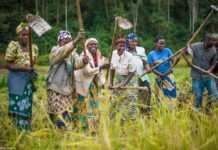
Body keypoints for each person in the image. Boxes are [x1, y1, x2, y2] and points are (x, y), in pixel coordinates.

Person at [46, 30, 88, 129]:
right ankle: (57, 131)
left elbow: (77, 64)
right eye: (64, 41)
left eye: (69, 41)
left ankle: (64, 132)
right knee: (56, 113)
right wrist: (77, 39)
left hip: (67, 89)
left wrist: (84, 61)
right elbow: (64, 52)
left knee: (66, 113)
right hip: (55, 88)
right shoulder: (55, 50)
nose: (67, 43)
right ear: (59, 42)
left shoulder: (72, 54)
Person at [5, 22, 38, 130]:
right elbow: (8, 64)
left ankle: (25, 129)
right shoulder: (14, 46)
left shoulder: (33, 48)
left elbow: (33, 64)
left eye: (27, 34)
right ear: (18, 35)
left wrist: (32, 71)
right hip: (16, 80)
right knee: (17, 104)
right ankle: (15, 129)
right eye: (23, 34)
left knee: (26, 104)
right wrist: (24, 67)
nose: (25, 37)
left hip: (27, 82)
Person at [74, 38, 107, 133]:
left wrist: (104, 83)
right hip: (82, 84)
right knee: (81, 105)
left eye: (95, 44)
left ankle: (94, 126)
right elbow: (87, 71)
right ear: (86, 46)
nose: (93, 46)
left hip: (93, 84)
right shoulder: (84, 55)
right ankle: (81, 126)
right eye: (90, 44)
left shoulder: (98, 56)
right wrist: (101, 67)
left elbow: (100, 73)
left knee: (94, 104)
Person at [109, 33, 138, 120]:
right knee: (115, 99)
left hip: (130, 79)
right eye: (119, 45)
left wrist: (124, 83)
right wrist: (111, 83)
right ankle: (113, 119)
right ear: (116, 46)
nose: (121, 47)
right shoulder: (113, 54)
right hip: (118, 78)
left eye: (123, 45)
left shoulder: (129, 56)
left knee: (130, 99)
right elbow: (112, 69)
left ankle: (131, 119)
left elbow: (132, 72)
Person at [186, 33, 218, 111]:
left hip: (208, 76)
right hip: (196, 76)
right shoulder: (195, 46)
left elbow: (214, 63)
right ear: (205, 40)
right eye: (212, 41)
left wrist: (210, 70)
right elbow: (184, 52)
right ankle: (197, 113)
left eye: (214, 41)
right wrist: (188, 62)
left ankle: (209, 110)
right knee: (198, 96)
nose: (213, 43)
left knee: (215, 95)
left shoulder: (213, 50)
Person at [147, 35, 177, 108]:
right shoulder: (151, 54)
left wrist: (170, 69)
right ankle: (160, 110)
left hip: (169, 76)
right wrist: (160, 74)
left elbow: (174, 61)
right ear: (156, 44)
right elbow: (151, 68)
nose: (162, 45)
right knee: (159, 96)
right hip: (159, 77)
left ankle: (171, 109)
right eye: (160, 43)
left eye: (163, 43)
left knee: (170, 94)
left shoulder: (167, 50)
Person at [126, 32, 151, 114]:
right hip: (130, 78)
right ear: (128, 41)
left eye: (135, 41)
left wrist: (148, 68)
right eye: (132, 41)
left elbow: (145, 62)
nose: (134, 43)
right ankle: (132, 114)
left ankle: (145, 113)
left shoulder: (141, 49)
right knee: (133, 96)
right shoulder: (125, 51)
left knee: (146, 94)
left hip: (142, 76)